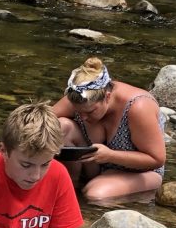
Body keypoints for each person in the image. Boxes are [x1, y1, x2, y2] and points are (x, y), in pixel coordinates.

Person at [51, 58, 167, 202]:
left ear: (107, 96)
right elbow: (37, 121)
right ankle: (70, 186)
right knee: (60, 126)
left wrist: (110, 156)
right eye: (78, 112)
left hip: (140, 172)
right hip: (95, 164)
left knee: (95, 194)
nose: (83, 117)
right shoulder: (80, 96)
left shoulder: (138, 107)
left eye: (90, 112)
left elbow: (157, 159)